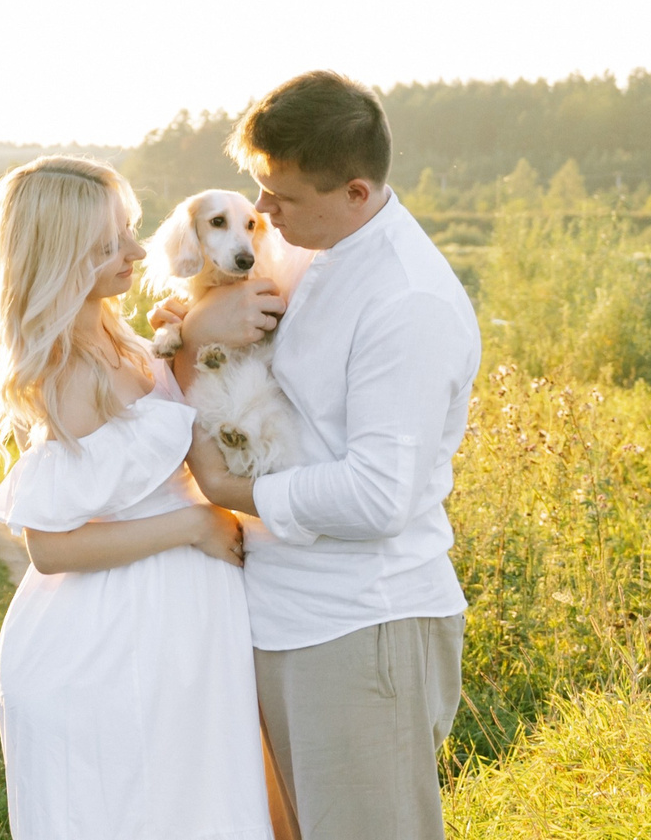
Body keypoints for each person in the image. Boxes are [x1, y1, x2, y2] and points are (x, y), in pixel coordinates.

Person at [169, 71, 482, 840]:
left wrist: (224, 485)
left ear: (354, 190)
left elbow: (379, 497)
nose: (263, 214)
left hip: (358, 628)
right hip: (282, 612)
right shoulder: (311, 243)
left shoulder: (406, 301)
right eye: (259, 191)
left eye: (282, 197)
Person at [0, 155, 276, 840]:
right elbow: (51, 546)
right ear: (62, 256)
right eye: (112, 244)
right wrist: (192, 525)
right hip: (110, 642)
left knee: (199, 805)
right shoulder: (68, 371)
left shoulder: (120, 336)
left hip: (174, 626)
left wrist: (191, 335)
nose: (139, 252)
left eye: (132, 232)